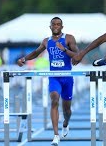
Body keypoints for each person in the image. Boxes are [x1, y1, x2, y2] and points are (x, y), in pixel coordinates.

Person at [17, 17, 79, 146]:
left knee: (67, 110)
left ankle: (65, 124)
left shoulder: (69, 38)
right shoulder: (46, 41)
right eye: (53, 24)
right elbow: (35, 52)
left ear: (62, 27)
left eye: (58, 24)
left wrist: (64, 50)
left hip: (67, 77)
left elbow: (78, 56)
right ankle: (56, 135)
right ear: (50, 27)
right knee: (54, 100)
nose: (56, 26)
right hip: (53, 77)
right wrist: (24, 59)